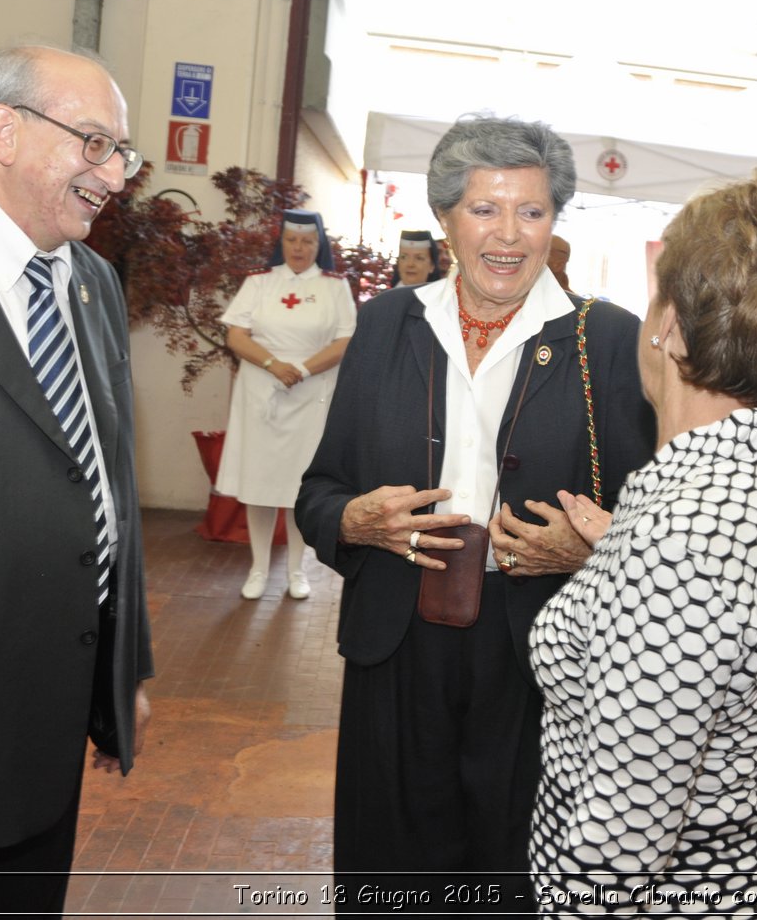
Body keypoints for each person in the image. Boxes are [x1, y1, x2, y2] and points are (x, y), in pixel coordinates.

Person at [295, 115, 655, 911]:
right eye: (484, 209)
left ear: (555, 222)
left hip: (537, 652)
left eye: (531, 211)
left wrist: (588, 549)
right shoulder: (389, 323)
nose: (508, 233)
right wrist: (356, 520)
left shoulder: (609, 343)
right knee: (392, 859)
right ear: (447, 219)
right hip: (396, 637)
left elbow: (656, 528)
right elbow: (318, 492)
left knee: (512, 861)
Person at [528, 173, 757, 914]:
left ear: (670, 323)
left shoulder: (684, 539)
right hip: (747, 869)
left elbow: (622, 841)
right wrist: (623, 562)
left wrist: (647, 568)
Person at [0, 45, 154, 913]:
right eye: (94, 144)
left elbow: (106, 480)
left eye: (121, 154)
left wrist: (124, 664)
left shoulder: (90, 282)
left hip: (48, 735)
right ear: (4, 130)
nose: (113, 176)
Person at [217, 210, 356, 600]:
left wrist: (302, 369)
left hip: (311, 394)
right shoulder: (259, 283)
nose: (299, 248)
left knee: (299, 486)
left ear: (319, 245)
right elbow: (236, 335)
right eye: (292, 240)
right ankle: (259, 568)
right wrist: (274, 364)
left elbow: (346, 340)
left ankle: (297, 570)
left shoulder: (334, 287)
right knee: (259, 483)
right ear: (281, 242)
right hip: (263, 389)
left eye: (307, 241)